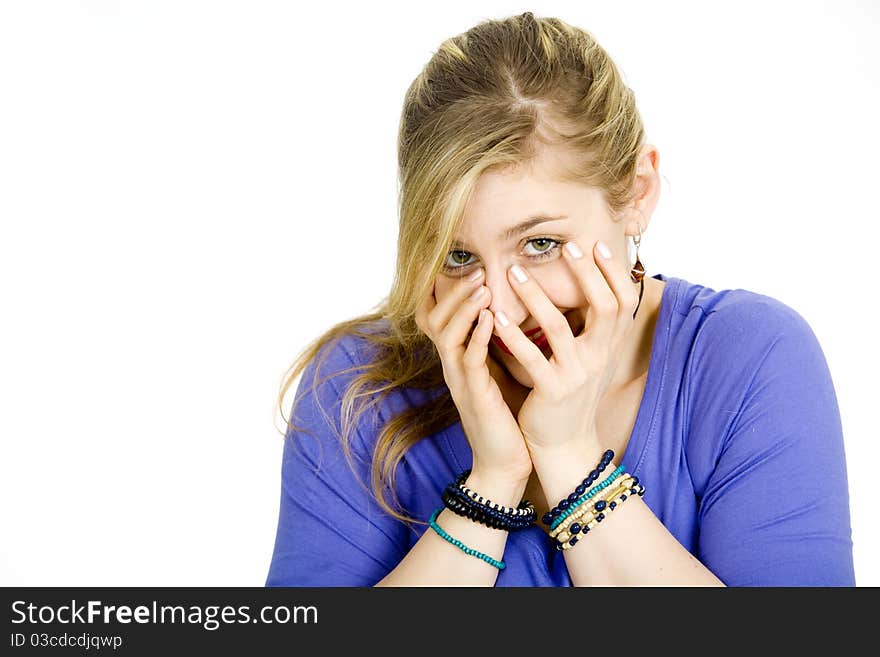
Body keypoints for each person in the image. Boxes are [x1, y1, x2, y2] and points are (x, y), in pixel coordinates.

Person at [265, 12, 855, 586]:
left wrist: (570, 456)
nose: (503, 307)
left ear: (637, 193)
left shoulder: (749, 359)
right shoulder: (356, 387)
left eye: (541, 243)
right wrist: (491, 484)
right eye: (458, 255)